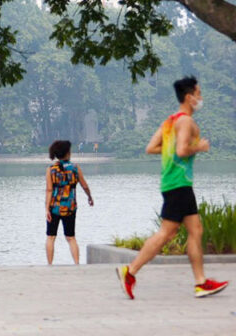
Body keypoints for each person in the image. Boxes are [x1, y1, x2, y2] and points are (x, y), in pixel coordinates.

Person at [117, 76, 228, 299]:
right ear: (189, 97)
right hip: (178, 184)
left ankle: (201, 282)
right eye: (199, 94)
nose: (201, 98)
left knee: (195, 230)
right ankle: (130, 271)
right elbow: (181, 151)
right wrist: (200, 146)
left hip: (175, 184)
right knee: (167, 233)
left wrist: (176, 147)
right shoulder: (186, 122)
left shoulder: (170, 121)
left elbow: (151, 147)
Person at [45, 140, 92, 265]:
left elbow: (49, 190)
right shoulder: (75, 168)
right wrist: (89, 197)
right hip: (70, 207)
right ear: (67, 153)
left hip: (54, 207)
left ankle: (50, 264)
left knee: (51, 237)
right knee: (71, 237)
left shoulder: (51, 169)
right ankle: (76, 263)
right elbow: (84, 186)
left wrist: (47, 209)